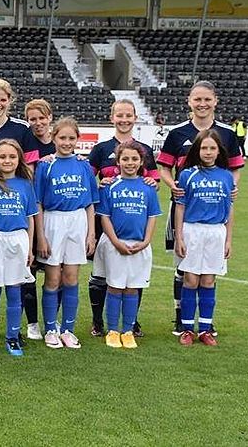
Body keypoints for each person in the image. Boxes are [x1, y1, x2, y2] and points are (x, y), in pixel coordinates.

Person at [157, 81, 243, 337]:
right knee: (183, 265)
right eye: (197, 99)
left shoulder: (227, 134)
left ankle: (205, 323)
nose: (202, 104)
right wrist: (173, 185)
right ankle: (181, 319)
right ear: (189, 101)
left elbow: (235, 168)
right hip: (184, 208)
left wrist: (231, 188)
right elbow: (164, 168)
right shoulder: (177, 133)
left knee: (208, 273)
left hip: (214, 209)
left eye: (207, 99)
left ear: (215, 101)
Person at [86, 99, 159, 338]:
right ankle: (99, 321)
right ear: (112, 118)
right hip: (106, 220)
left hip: (134, 224)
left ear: (135, 118)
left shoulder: (144, 149)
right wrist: (100, 184)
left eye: (129, 115)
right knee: (100, 276)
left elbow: (153, 183)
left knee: (133, 277)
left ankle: (131, 322)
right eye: (120, 115)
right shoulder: (101, 149)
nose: (124, 119)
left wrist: (152, 182)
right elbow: (88, 181)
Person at [33, 117, 99, 350]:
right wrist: (41, 236)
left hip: (77, 221)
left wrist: (91, 234)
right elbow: (38, 203)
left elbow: (90, 203)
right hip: (53, 220)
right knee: (53, 278)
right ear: (53, 138)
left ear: (78, 139)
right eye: (62, 137)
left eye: (71, 138)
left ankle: (68, 330)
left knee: (71, 277)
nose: (67, 142)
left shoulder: (84, 165)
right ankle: (51, 328)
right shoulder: (45, 166)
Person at [95, 141, 161, 350]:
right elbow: (104, 217)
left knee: (132, 289)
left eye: (134, 159)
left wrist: (146, 241)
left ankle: (128, 331)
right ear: (118, 161)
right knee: (114, 286)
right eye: (125, 159)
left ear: (141, 162)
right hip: (115, 244)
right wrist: (115, 242)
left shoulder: (148, 187)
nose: (130, 163)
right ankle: (113, 330)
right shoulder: (109, 186)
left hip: (139, 245)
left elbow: (152, 216)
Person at [0, 139, 38, 357]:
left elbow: (30, 218)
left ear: (19, 159)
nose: (7, 160)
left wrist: (30, 248)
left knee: (14, 290)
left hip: (17, 239)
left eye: (12, 156)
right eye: (2, 156)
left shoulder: (25, 184)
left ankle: (13, 338)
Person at [174, 129, 235, 347]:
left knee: (208, 280)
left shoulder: (226, 176)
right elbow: (180, 207)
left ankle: (205, 329)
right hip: (192, 230)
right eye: (204, 148)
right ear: (197, 151)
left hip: (216, 232)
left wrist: (228, 239)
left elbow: (230, 209)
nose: (208, 152)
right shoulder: (186, 175)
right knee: (190, 280)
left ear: (219, 151)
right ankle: (187, 329)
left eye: (212, 148)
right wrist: (179, 237)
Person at [20, 98, 55, 341]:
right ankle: (32, 323)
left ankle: (53, 322)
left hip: (56, 215)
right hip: (33, 213)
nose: (38, 123)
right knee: (29, 271)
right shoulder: (26, 142)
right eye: (33, 119)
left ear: (50, 117)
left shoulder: (60, 142)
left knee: (56, 273)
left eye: (42, 118)